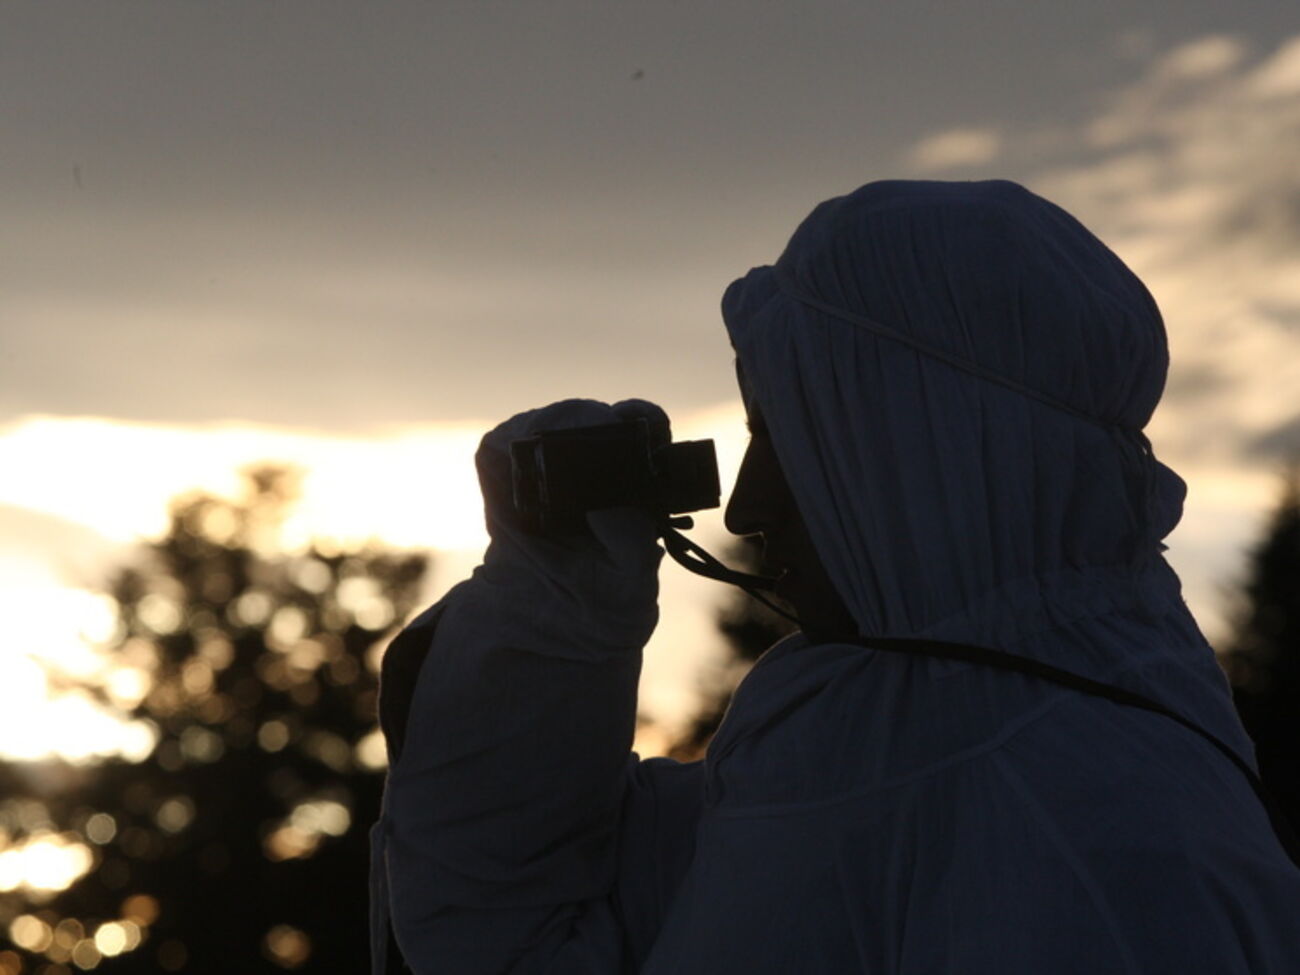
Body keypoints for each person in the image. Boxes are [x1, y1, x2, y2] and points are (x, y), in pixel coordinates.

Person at [370, 180, 1300, 973]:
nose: (744, 509)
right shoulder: (860, 717)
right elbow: (523, 937)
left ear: (920, 452)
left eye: (791, 440)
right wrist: (551, 628)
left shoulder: (1100, 831)